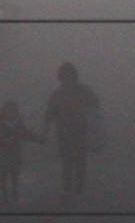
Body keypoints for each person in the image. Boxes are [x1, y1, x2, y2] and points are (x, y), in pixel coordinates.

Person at [41, 61, 101, 195]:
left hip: (81, 133)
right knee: (67, 163)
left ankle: (78, 190)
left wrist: (96, 133)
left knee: (80, 162)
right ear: (61, 78)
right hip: (64, 134)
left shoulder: (84, 91)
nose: (68, 80)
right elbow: (49, 116)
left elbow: (96, 110)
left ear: (75, 76)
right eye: (65, 77)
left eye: (70, 76)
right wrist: (44, 134)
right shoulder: (58, 95)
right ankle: (68, 190)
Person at [0, 100, 38, 204]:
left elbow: (27, 134)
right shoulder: (0, 124)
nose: (11, 113)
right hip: (3, 154)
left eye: (14, 111)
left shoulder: (18, 123)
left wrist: (38, 139)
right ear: (4, 112)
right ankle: (4, 195)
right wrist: (12, 138)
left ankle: (14, 193)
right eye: (9, 110)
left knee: (14, 174)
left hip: (15, 154)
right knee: (3, 175)